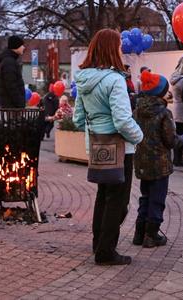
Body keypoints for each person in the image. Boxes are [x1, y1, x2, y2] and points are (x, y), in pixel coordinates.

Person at [72, 29, 143, 265]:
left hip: (98, 144)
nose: (122, 50)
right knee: (118, 201)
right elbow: (123, 119)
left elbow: (78, 119)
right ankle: (105, 251)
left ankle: (99, 244)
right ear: (112, 49)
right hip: (120, 146)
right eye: (119, 47)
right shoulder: (115, 80)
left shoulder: (83, 79)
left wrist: (95, 130)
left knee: (104, 196)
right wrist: (139, 136)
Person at [133, 71, 183, 248]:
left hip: (141, 162)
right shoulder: (163, 113)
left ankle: (139, 233)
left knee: (145, 196)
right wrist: (181, 141)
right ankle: (151, 235)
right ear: (160, 92)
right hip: (159, 163)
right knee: (157, 198)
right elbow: (170, 140)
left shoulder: (137, 110)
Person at [0, 35, 26, 108]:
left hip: (10, 104)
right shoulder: (9, 62)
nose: (23, 47)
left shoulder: (10, 60)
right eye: (22, 45)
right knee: (15, 120)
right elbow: (11, 85)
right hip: (11, 105)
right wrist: (19, 103)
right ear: (16, 46)